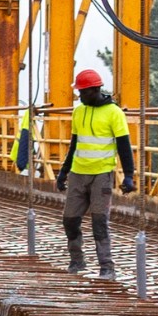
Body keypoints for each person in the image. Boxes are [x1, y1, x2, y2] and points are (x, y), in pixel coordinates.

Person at [55, 69, 136, 278]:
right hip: (78, 173)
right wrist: (63, 173)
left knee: (99, 222)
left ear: (94, 90)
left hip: (102, 175)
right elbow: (74, 145)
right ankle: (77, 261)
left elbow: (124, 146)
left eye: (82, 92)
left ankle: (107, 267)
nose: (79, 96)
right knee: (70, 220)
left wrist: (129, 175)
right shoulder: (78, 112)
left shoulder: (114, 113)